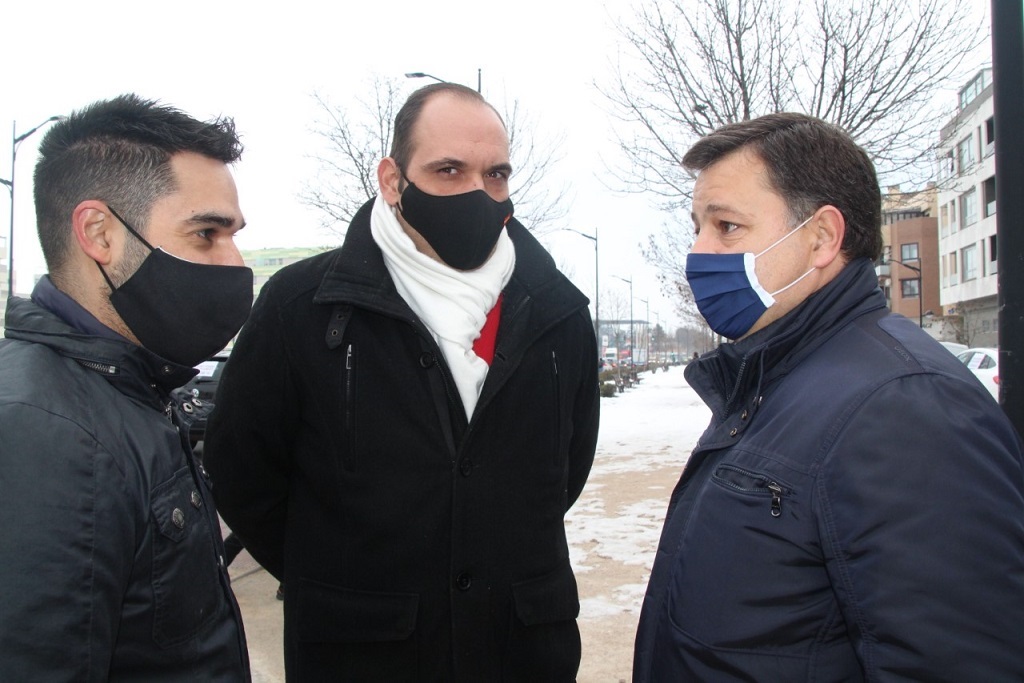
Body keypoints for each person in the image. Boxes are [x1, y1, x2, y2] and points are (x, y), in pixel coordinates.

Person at [204, 82, 599, 681]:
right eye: (448, 170)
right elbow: (244, 474)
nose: (478, 193)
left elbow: (565, 472)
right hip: (360, 655)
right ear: (392, 180)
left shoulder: (557, 313)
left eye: (496, 175)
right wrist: (340, 579)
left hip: (521, 653)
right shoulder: (300, 307)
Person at [633, 113, 1024, 680]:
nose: (698, 251)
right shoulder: (778, 377)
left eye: (727, 226)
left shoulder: (905, 407)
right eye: (697, 227)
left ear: (820, 238)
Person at [0, 94, 252, 680]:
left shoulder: (130, 389)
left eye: (234, 234)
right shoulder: (48, 436)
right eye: (206, 233)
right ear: (99, 233)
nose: (235, 261)